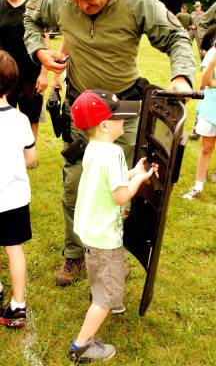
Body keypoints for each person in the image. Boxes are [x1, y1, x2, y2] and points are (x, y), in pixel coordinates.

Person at [24, 0, 195, 287]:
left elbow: (177, 36)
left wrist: (182, 77)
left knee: (120, 188)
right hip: (82, 110)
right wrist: (39, 51)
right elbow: (31, 17)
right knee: (75, 184)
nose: (81, 7)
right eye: (75, 0)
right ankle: (74, 254)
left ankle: (113, 251)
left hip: (125, 112)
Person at [68, 89, 158, 362]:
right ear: (106, 125)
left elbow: (111, 182)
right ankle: (82, 346)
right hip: (104, 237)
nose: (125, 122)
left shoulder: (95, 148)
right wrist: (141, 181)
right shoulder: (115, 152)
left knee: (105, 271)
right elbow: (120, 196)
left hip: (89, 230)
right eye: (121, 118)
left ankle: (111, 296)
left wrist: (134, 172)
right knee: (104, 295)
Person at [0, 49, 36, 328]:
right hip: (14, 198)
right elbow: (31, 158)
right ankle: (18, 305)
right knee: (14, 248)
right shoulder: (21, 120)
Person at [0, 0, 48, 147]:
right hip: (5, 73)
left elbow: (44, 41)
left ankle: (30, 153)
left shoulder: (33, 6)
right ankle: (9, 150)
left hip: (31, 71)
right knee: (5, 113)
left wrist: (44, 74)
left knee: (31, 114)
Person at [183, 25, 216, 200]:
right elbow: (205, 80)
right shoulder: (212, 53)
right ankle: (198, 186)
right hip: (212, 106)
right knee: (206, 147)